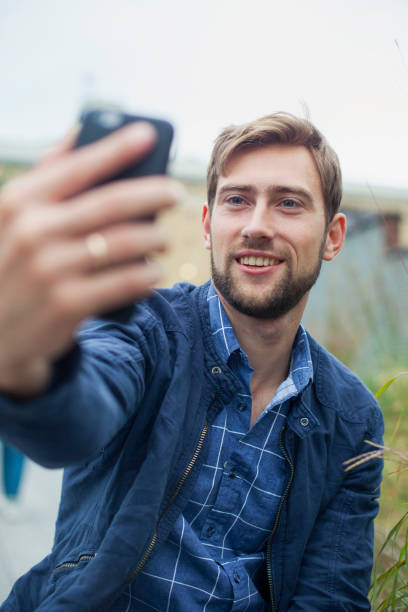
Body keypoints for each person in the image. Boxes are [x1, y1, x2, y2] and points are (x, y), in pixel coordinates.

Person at [0, 113, 383, 611]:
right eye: (237, 200)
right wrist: (21, 364)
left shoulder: (352, 418)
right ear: (208, 225)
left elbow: (331, 599)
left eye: (288, 203)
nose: (257, 225)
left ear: (333, 236)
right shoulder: (143, 328)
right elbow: (72, 423)